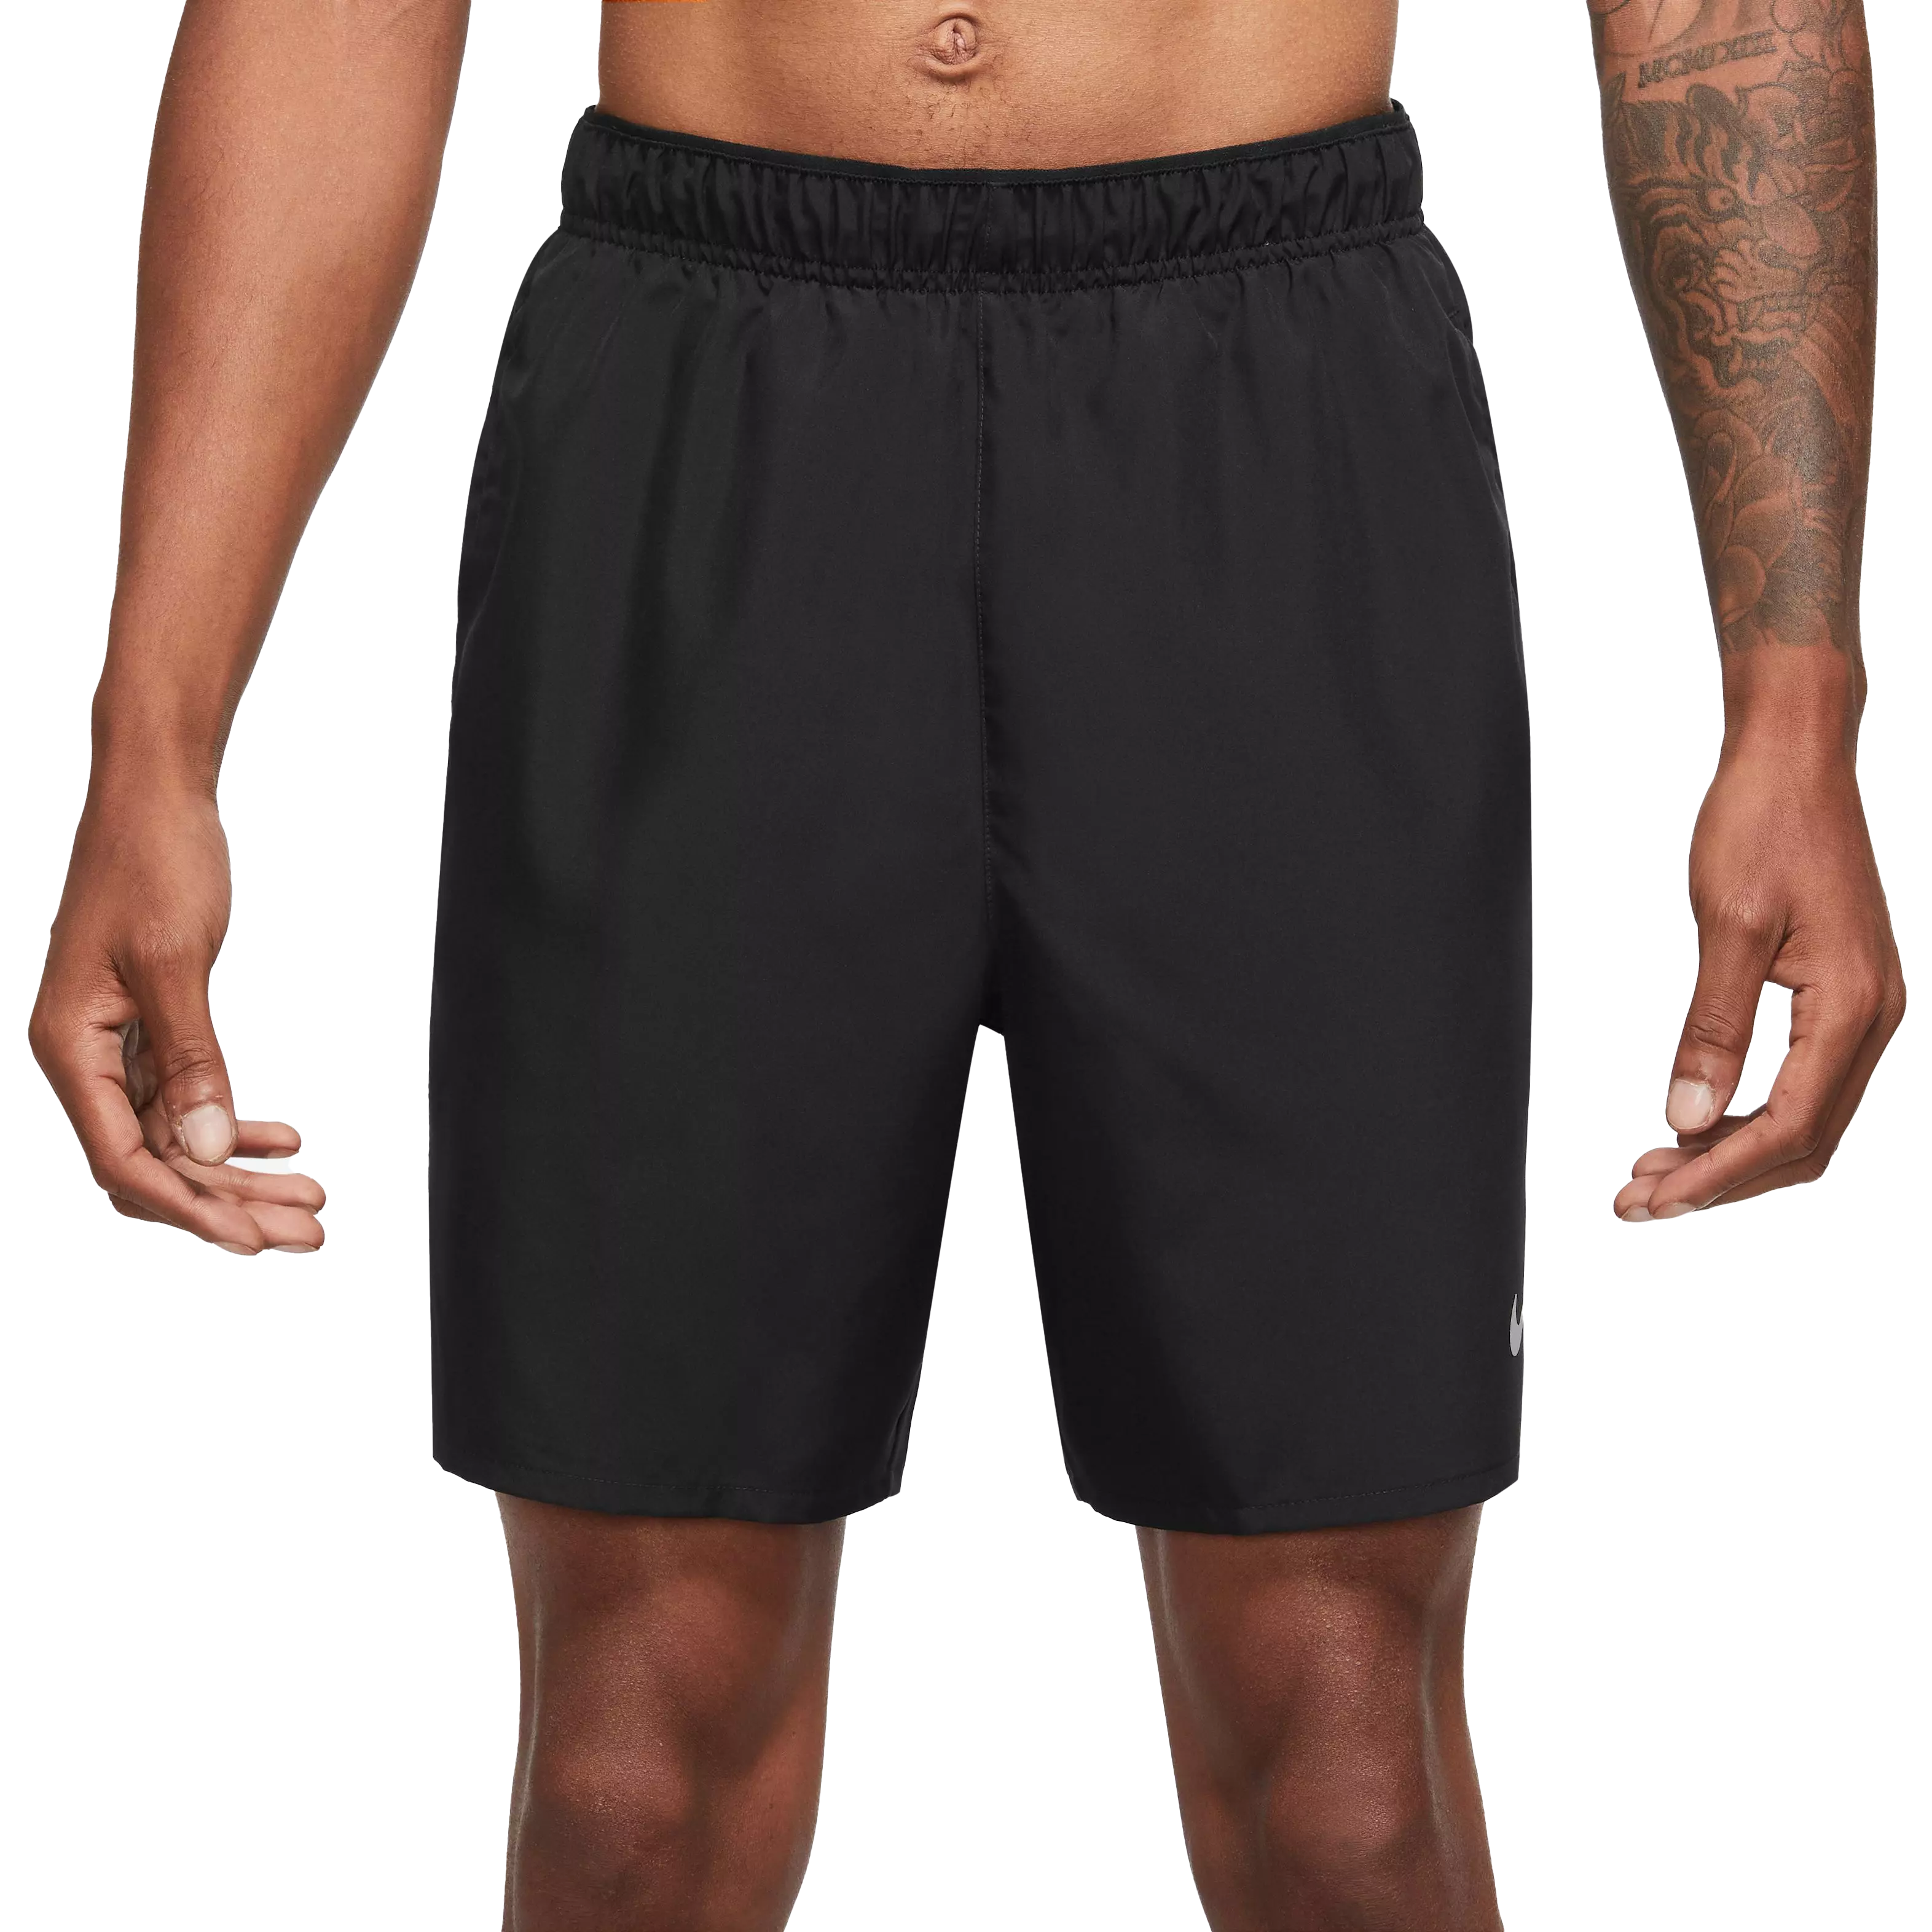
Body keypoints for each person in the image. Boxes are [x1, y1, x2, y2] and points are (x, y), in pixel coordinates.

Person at [27, 2, 1903, 1925]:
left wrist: (1798, 702)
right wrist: (152, 746)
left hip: (1270, 401)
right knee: (629, 1779)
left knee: (1345, 1775)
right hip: (706, 382)